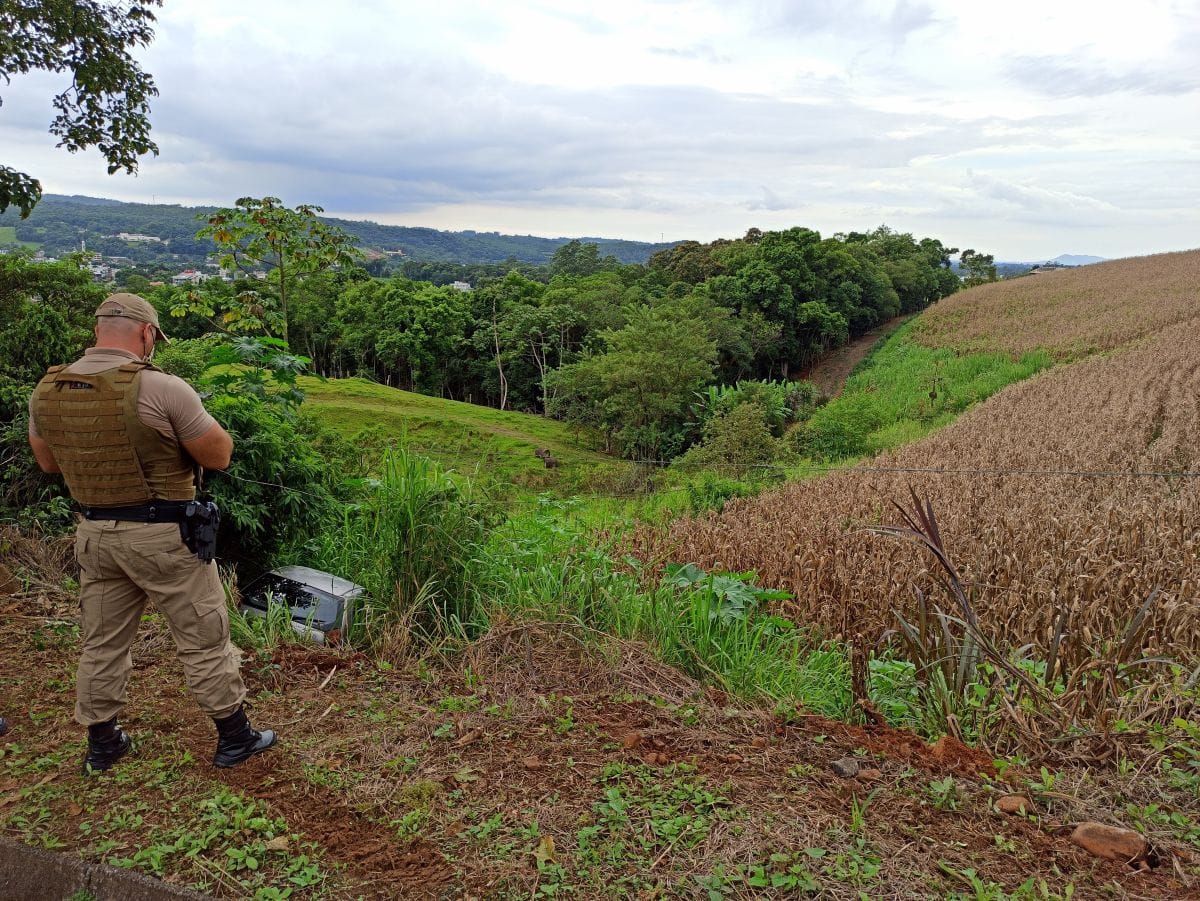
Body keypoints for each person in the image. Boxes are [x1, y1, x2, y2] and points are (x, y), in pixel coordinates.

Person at [27, 293, 276, 773]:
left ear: (98, 329)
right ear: (146, 333)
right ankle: (234, 737)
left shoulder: (47, 389)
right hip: (163, 536)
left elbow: (48, 463)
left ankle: (102, 744)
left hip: (95, 534)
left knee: (102, 642)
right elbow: (218, 454)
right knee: (203, 637)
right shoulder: (161, 388)